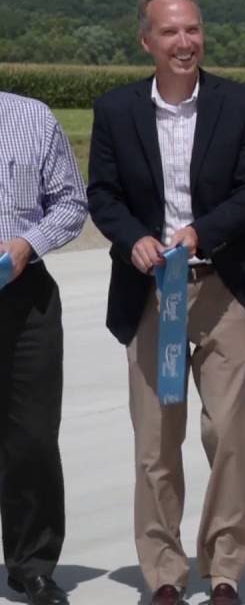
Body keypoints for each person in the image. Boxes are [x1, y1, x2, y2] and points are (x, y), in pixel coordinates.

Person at [86, 0, 245, 605]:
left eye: (194, 30)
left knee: (231, 433)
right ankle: (164, 574)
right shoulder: (116, 110)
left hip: (224, 286)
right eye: (171, 32)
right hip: (152, 291)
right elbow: (103, 195)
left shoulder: (241, 104)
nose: (185, 43)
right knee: (155, 439)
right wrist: (135, 241)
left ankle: (226, 567)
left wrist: (200, 231)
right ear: (146, 41)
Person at [0, 92, 87, 605]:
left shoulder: (32, 117)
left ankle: (31, 565)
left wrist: (29, 243)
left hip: (25, 292)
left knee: (31, 437)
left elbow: (71, 203)